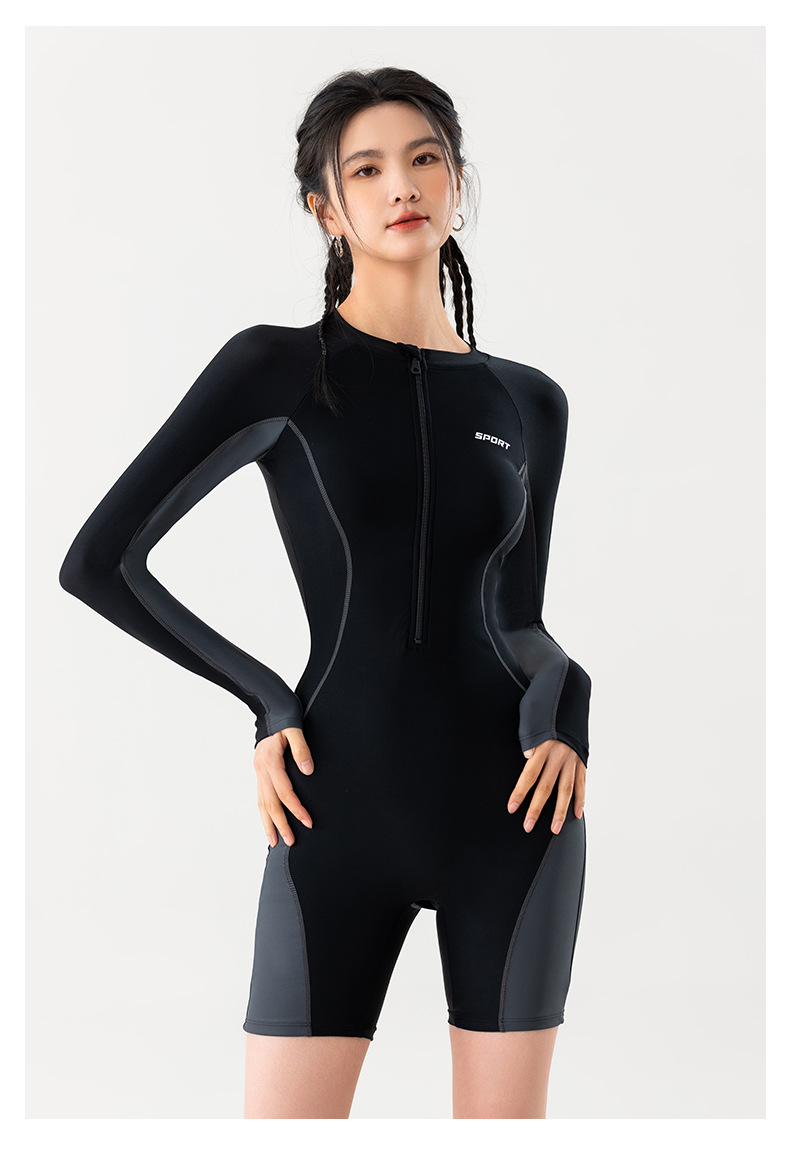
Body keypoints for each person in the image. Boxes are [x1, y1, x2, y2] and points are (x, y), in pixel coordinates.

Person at [59, 66, 592, 1120]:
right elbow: (100, 561)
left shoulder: (528, 400)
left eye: (425, 159)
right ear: (326, 210)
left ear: (456, 182)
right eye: (368, 169)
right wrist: (268, 701)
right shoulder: (276, 369)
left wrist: (571, 696)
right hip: (335, 800)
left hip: (516, 815)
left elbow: (520, 618)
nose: (403, 185)